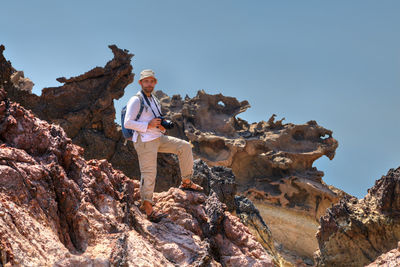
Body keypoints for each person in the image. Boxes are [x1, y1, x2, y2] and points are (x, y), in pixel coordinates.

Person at [124, 69, 203, 222]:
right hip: (145, 141)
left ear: (155, 83)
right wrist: (147, 124)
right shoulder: (136, 100)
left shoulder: (154, 100)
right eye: (146, 81)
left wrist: (161, 126)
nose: (149, 83)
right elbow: (128, 122)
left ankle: (186, 181)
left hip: (158, 137)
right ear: (141, 83)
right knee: (149, 173)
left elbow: (157, 119)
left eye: (151, 81)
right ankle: (148, 208)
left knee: (184, 146)